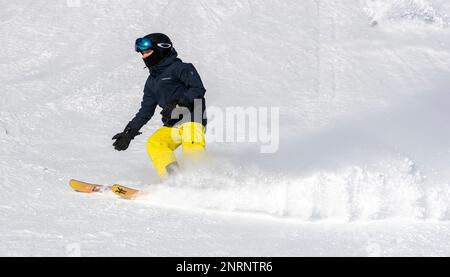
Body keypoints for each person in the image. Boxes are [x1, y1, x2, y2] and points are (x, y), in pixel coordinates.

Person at [112, 33, 207, 178]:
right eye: (142, 54)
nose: (144, 57)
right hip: (173, 124)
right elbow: (146, 111)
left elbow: (198, 89)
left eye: (148, 52)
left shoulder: (181, 68)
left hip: (193, 119)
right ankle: (173, 178)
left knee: (191, 146)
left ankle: (203, 181)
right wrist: (129, 133)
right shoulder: (152, 81)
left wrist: (178, 104)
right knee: (155, 143)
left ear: (162, 49)